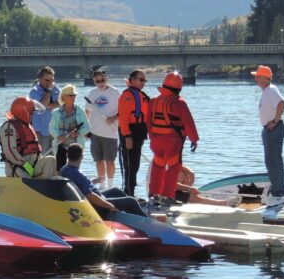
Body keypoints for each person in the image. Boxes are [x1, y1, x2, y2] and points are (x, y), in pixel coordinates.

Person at [147, 71, 199, 202]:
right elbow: (188, 123)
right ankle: (168, 197)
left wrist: (153, 138)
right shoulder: (180, 103)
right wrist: (194, 139)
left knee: (158, 167)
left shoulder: (153, 101)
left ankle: (154, 195)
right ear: (179, 87)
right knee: (173, 168)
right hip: (172, 142)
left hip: (156, 142)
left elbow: (148, 123)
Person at [59, 143, 146, 217]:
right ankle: (145, 221)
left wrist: (92, 182)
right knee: (131, 201)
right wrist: (109, 206)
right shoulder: (77, 174)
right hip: (97, 206)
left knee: (116, 190)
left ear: (67, 155)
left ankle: (127, 214)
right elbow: (90, 196)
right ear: (81, 157)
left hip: (98, 197)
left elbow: (78, 186)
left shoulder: (64, 169)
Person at [0, 96, 56, 179]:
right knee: (27, 179)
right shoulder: (8, 127)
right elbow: (9, 151)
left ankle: (46, 186)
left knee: (50, 160)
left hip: (32, 163)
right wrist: (24, 164)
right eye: (31, 113)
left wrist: (36, 161)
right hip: (17, 166)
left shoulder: (27, 126)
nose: (32, 115)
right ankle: (35, 186)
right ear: (23, 112)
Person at [253, 65, 284, 203]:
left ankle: (278, 192)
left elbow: (282, 103)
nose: (255, 79)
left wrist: (274, 121)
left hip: (273, 129)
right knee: (273, 161)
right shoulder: (267, 91)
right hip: (270, 129)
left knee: (273, 162)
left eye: (257, 76)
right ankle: (278, 190)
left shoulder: (271, 90)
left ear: (264, 78)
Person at [85, 67, 120, 190]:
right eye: (97, 81)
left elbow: (123, 110)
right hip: (95, 132)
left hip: (111, 132)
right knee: (98, 160)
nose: (100, 83)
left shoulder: (115, 92)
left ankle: (110, 186)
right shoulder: (92, 93)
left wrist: (113, 117)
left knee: (109, 160)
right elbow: (88, 111)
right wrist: (86, 128)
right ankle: (102, 186)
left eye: (102, 80)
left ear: (106, 79)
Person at [117, 69, 151, 196]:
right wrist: (127, 135)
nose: (143, 83)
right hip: (130, 132)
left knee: (135, 164)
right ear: (132, 80)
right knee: (130, 165)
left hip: (139, 131)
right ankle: (128, 192)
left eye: (145, 80)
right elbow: (123, 117)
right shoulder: (127, 96)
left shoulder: (142, 96)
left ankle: (131, 192)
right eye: (141, 80)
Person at [49, 84, 90, 171]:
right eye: (70, 95)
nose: (73, 97)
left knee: (75, 169)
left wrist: (78, 133)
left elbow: (87, 127)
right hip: (61, 145)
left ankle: (74, 183)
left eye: (74, 95)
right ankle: (60, 183)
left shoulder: (80, 110)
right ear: (64, 97)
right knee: (59, 169)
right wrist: (58, 136)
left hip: (76, 145)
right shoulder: (56, 113)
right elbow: (51, 128)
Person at [28, 66, 60, 153]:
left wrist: (49, 105)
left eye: (52, 80)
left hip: (55, 130)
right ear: (40, 79)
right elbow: (41, 106)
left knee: (54, 160)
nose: (50, 83)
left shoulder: (56, 89)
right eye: (47, 80)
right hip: (41, 131)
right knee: (42, 158)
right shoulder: (34, 92)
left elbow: (61, 105)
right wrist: (49, 91)